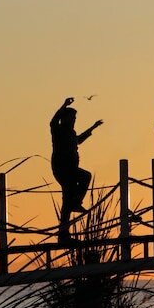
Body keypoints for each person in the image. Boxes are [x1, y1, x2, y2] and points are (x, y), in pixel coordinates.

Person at [50, 97, 102, 244]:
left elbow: (78, 140)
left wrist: (92, 128)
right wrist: (64, 105)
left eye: (75, 118)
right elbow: (53, 121)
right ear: (64, 118)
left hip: (71, 168)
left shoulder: (71, 133)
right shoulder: (58, 130)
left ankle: (63, 234)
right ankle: (76, 202)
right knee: (86, 176)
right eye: (72, 118)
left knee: (67, 199)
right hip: (63, 168)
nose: (74, 120)